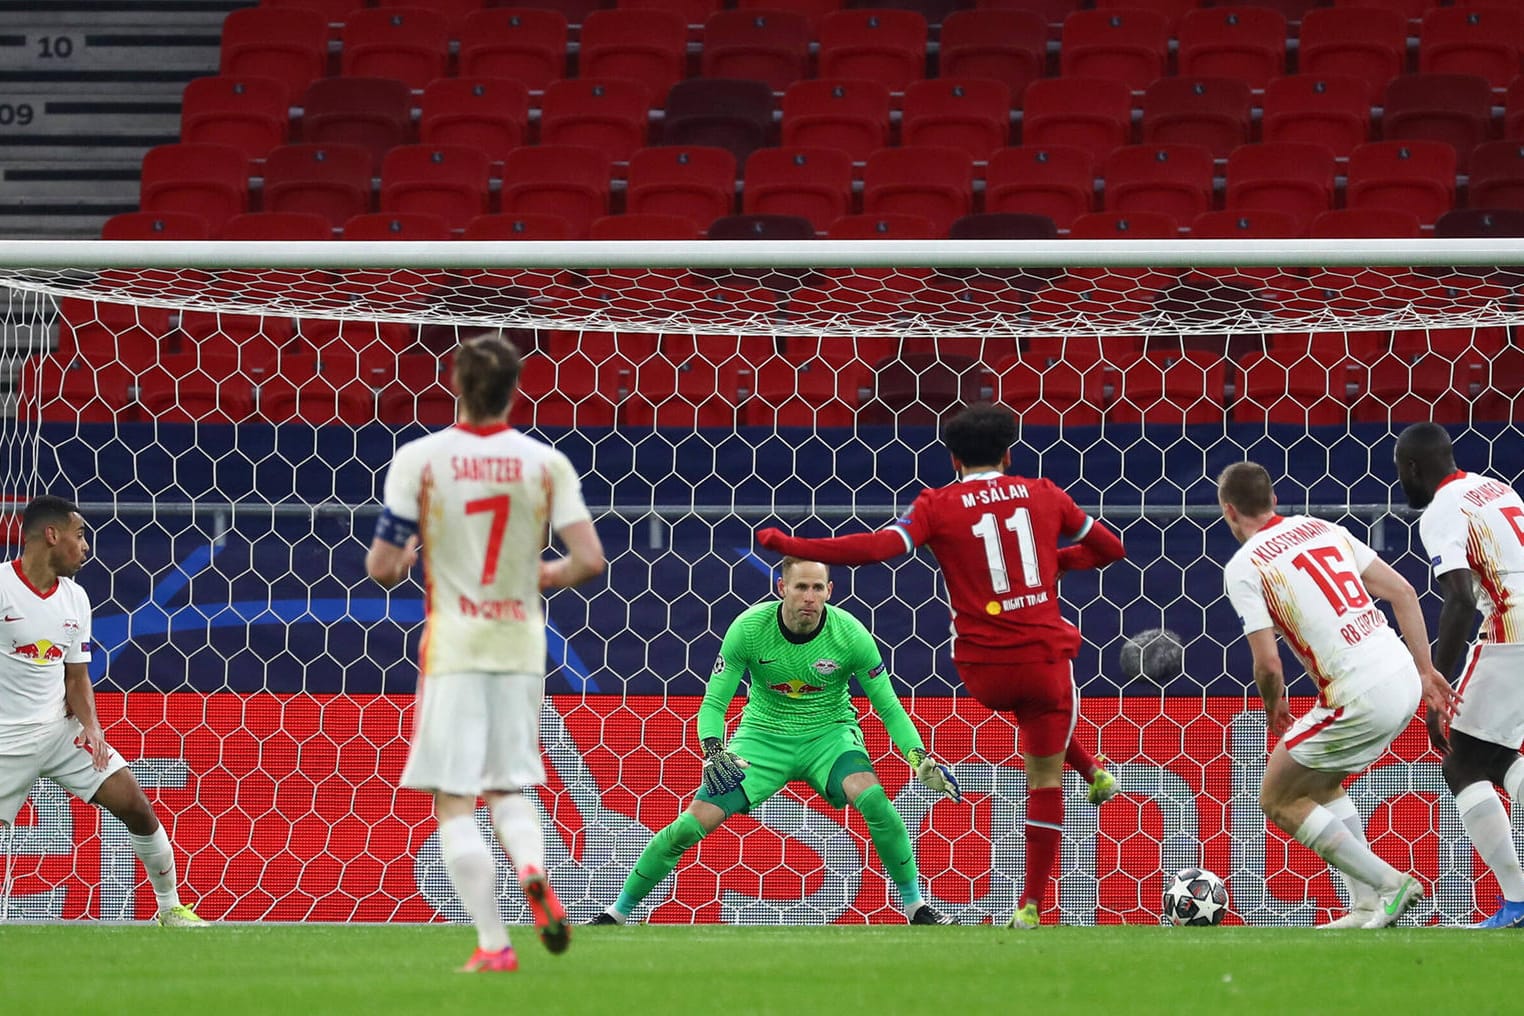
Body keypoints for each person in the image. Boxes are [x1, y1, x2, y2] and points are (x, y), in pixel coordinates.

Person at [756, 402, 1126, 930]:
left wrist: (792, 544)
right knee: (1044, 770)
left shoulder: (939, 504)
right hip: (1044, 661)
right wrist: (1051, 566)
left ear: (952, 458)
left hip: (983, 670)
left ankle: (1092, 770)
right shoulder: (1045, 493)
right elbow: (1111, 548)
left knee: (1027, 707)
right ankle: (1032, 904)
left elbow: (877, 547)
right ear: (1009, 453)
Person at [366, 331, 605, 972]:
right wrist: (538, 577)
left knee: (453, 797)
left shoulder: (420, 458)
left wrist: (402, 561)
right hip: (521, 642)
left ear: (454, 382)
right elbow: (589, 559)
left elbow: (384, 568)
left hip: (455, 642)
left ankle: (495, 943)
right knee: (508, 786)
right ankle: (532, 867)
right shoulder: (545, 462)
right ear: (516, 389)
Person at [589, 556, 961, 927]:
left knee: (877, 803)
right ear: (782, 588)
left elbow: (889, 708)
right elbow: (714, 704)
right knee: (690, 825)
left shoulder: (851, 635)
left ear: (830, 591)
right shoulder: (749, 629)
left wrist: (918, 758)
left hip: (828, 736)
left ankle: (916, 908)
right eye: (801, 587)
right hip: (761, 740)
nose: (809, 597)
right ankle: (617, 913)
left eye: (818, 588)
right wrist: (714, 750)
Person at [1217, 461, 1458, 929]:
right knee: (1321, 785)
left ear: (1230, 511)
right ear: (1274, 500)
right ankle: (1366, 904)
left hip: (1359, 694)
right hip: (1402, 676)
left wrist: (1274, 705)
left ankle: (1392, 883)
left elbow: (1267, 663)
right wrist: (1427, 672)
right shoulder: (1324, 528)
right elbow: (1405, 592)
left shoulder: (1245, 566)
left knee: (1276, 798)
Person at [0, 496, 204, 926]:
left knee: (135, 804)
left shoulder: (76, 599)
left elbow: (77, 677)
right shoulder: (2, 587)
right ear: (51, 535)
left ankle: (170, 909)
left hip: (61, 732)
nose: (86, 546)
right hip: (7, 738)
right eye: (79, 535)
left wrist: (92, 728)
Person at [1395, 422, 1524, 929]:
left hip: (1512, 624)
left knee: (1461, 763)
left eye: (1399, 472)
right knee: (1497, 754)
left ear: (1411, 468)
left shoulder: (1442, 510)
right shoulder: (1496, 487)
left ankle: (1517, 902)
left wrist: (1434, 682)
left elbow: (1458, 598)